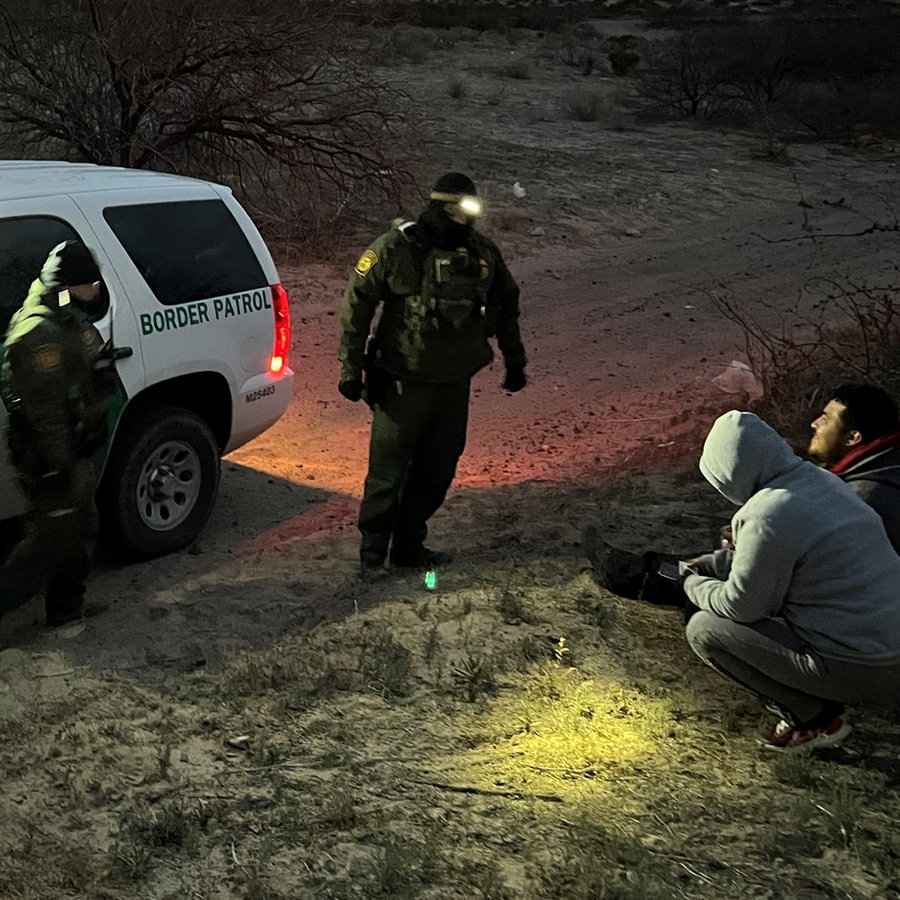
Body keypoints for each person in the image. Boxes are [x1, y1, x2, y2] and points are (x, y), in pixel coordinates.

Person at [338, 172, 527, 579]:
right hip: (402, 382)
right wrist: (350, 369)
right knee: (387, 475)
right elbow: (357, 305)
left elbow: (506, 304)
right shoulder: (395, 249)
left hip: (453, 385)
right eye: (465, 208)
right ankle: (372, 557)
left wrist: (515, 361)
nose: (471, 217)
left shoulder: (481, 254)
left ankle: (409, 547)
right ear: (445, 206)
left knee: (437, 471)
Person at [679, 410, 900, 750]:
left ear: (728, 474)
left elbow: (742, 606)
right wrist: (714, 563)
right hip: (890, 644)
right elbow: (781, 557)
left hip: (869, 667)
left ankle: (814, 720)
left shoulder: (767, 515)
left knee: (705, 629)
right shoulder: (823, 481)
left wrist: (691, 584)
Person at [583, 382, 900, 605]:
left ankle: (638, 577)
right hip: (857, 607)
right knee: (719, 554)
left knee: (704, 577)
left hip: (841, 615)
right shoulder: (882, 467)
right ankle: (647, 570)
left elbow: (808, 570)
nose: (815, 424)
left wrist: (749, 545)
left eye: (827, 419)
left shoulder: (864, 496)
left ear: (853, 437)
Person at [0, 240, 112, 627]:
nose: (97, 290)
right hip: (51, 459)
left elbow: (80, 357)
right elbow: (42, 413)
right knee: (45, 548)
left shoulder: (64, 311)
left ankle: (66, 613)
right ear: (70, 283)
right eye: (91, 283)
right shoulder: (37, 334)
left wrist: (99, 369)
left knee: (80, 530)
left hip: (71, 449)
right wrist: (61, 463)